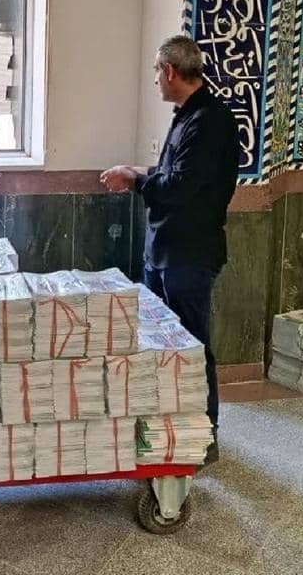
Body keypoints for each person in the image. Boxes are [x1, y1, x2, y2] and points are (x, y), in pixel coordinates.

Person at [101, 34, 237, 465]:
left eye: (158, 71)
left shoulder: (210, 122)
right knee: (160, 348)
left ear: (171, 72)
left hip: (189, 255)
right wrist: (137, 172)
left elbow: (179, 187)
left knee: (191, 346)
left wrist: (138, 179)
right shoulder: (187, 115)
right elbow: (170, 172)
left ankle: (204, 434)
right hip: (165, 252)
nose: (156, 80)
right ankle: (166, 431)